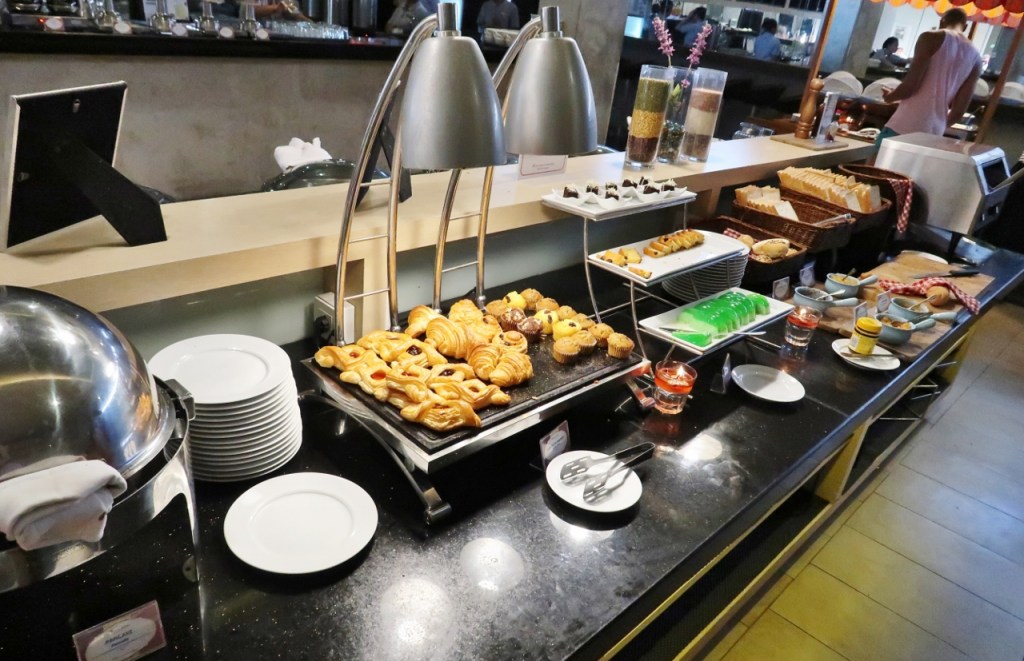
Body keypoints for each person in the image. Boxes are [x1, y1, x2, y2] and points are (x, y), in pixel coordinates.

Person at [879, 9, 982, 142]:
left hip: (903, 125)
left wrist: (889, 97)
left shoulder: (930, 37)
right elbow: (958, 111)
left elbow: (910, 86)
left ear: (941, 21)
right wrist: (935, 126)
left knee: (875, 162)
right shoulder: (976, 58)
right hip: (934, 133)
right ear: (965, 27)